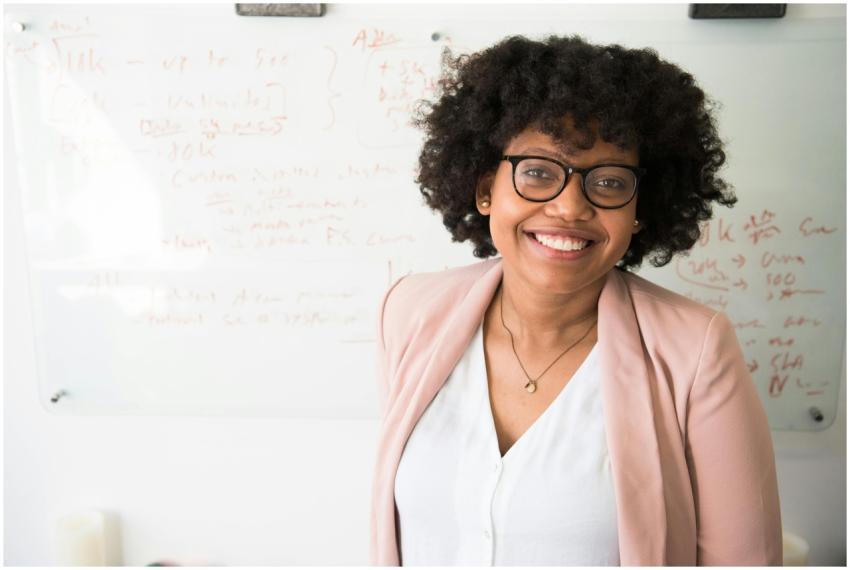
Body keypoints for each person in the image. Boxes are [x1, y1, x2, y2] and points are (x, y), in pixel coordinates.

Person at [369, 35, 782, 566]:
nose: (569, 207)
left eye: (608, 182)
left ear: (640, 209)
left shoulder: (695, 350)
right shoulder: (408, 313)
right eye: (539, 171)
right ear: (484, 188)